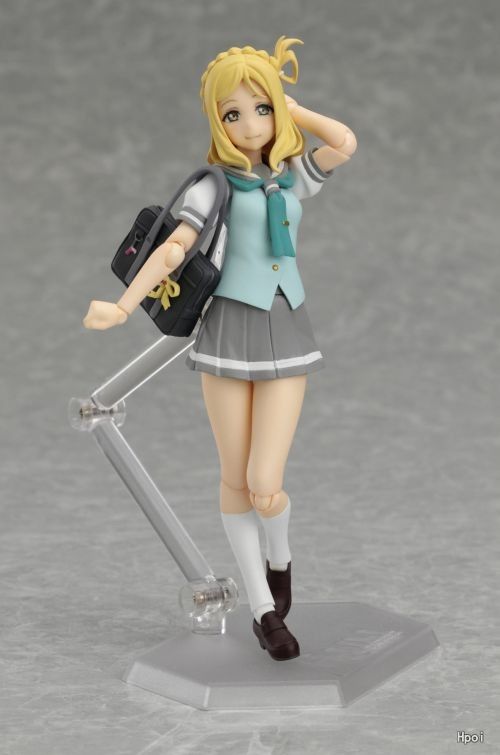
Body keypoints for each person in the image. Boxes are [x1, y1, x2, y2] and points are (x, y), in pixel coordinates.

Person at [83, 36, 357, 661]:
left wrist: (292, 107)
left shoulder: (289, 178)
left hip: (285, 327)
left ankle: (281, 557)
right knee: (235, 478)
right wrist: (123, 306)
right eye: (233, 113)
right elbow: (173, 250)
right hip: (228, 331)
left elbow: (343, 143)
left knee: (266, 483)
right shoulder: (214, 188)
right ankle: (263, 609)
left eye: (261, 109)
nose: (250, 124)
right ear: (216, 120)